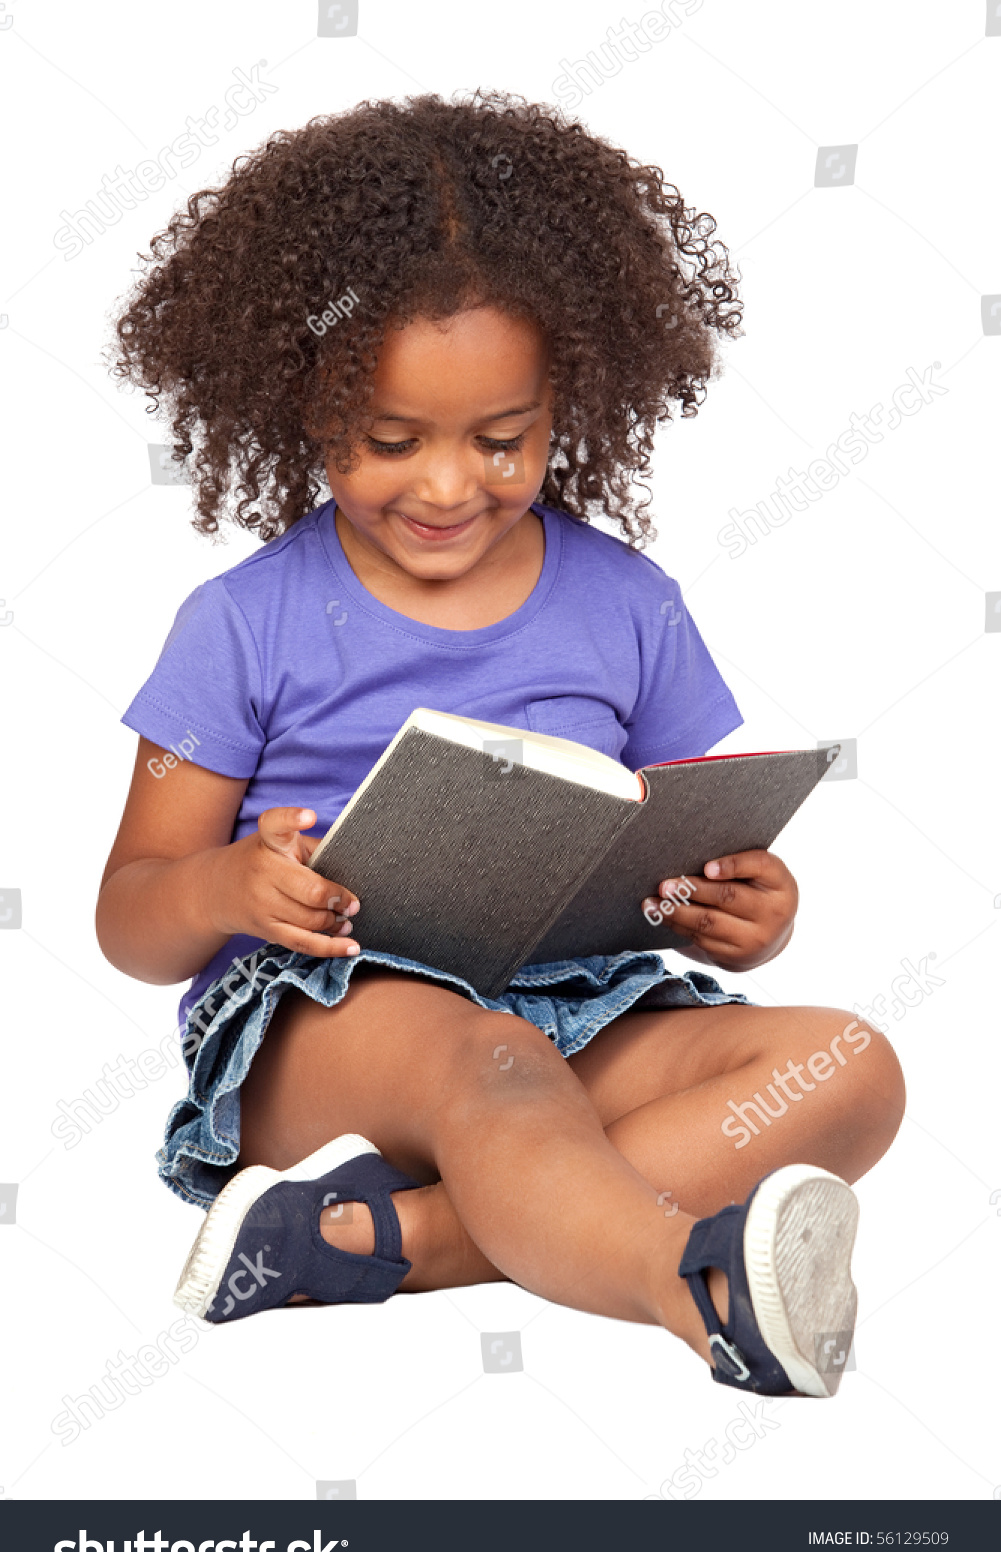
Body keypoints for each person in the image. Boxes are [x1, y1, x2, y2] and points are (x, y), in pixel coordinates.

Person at [97, 90, 904, 1397]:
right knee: (499, 1061)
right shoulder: (241, 623)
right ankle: (694, 1291)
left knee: (844, 1066)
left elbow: (683, 829)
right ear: (298, 408)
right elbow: (129, 922)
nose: (447, 485)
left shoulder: (626, 604)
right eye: (389, 440)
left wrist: (745, 910)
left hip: (574, 1004)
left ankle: (372, 1240)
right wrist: (224, 887)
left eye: (501, 440)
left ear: (566, 402)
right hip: (330, 1031)